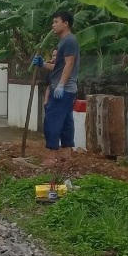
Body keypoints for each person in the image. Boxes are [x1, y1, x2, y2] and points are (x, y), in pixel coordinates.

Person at [33, 10, 80, 164]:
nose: (53, 25)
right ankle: (66, 155)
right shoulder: (64, 42)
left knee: (52, 121)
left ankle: (50, 157)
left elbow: (69, 64)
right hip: (67, 89)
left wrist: (60, 85)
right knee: (66, 122)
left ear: (65, 24)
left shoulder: (69, 41)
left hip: (63, 89)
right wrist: (43, 64)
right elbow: (59, 67)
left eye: (56, 22)